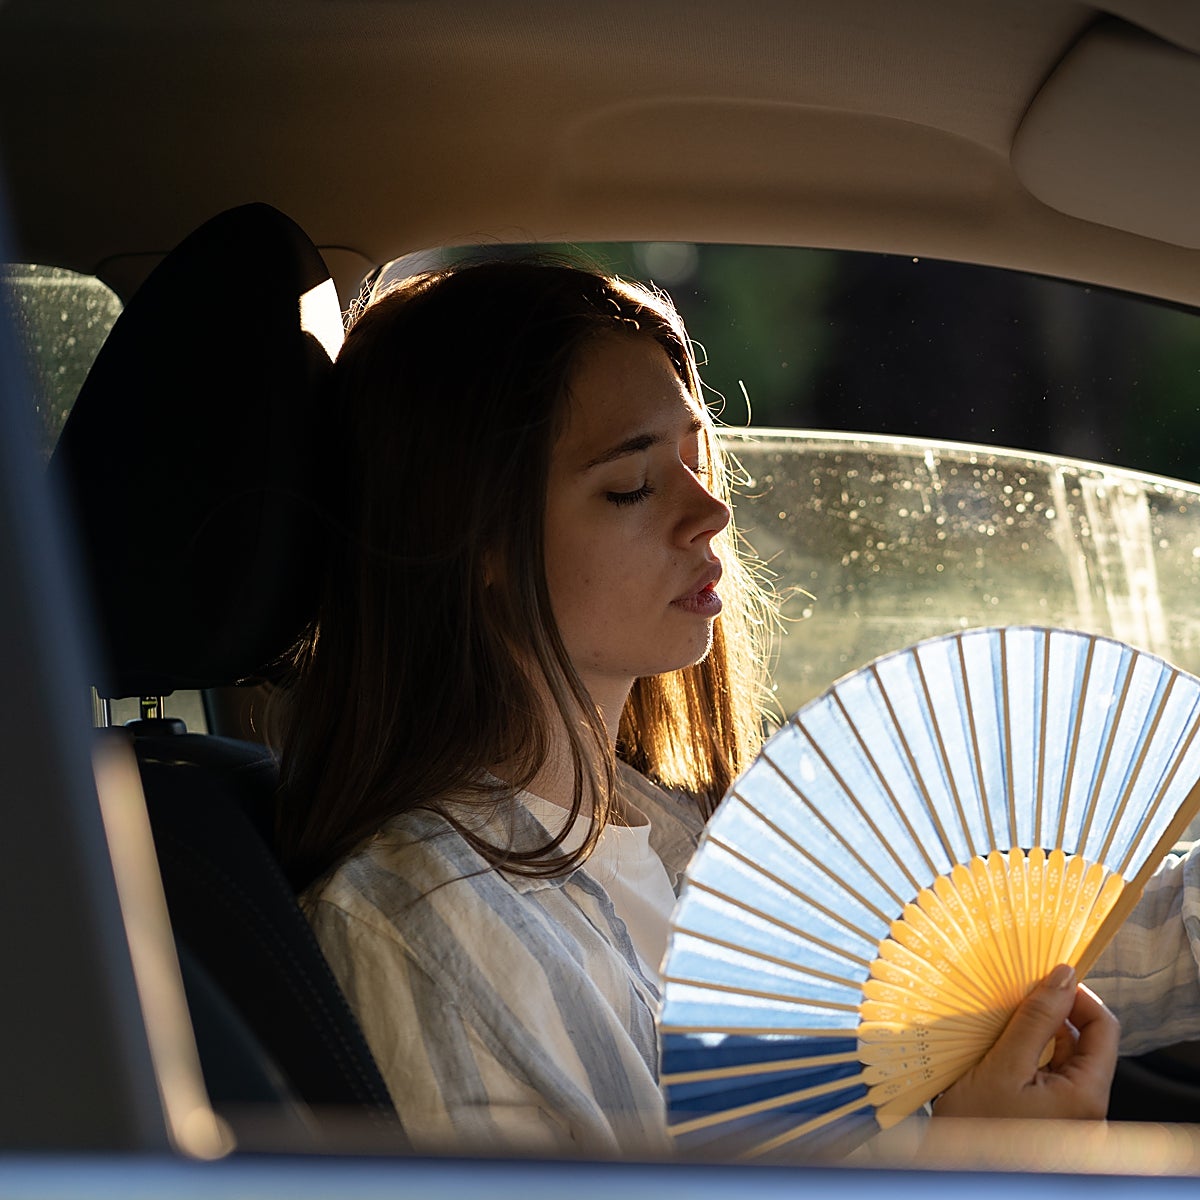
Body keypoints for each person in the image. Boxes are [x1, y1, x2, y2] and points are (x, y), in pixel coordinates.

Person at [273, 258, 1187, 1158]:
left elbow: (1033, 942)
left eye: (698, 458)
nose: (709, 511)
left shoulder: (696, 833)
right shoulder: (424, 928)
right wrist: (984, 1170)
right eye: (631, 486)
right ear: (471, 538)